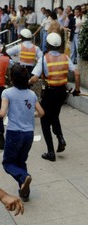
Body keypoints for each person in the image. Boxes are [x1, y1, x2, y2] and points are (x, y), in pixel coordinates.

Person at [0, 65, 44, 202]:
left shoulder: (7, 93)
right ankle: (24, 192)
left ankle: (23, 178)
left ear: (12, 79)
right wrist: (31, 114)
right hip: (29, 134)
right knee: (21, 161)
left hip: (14, 133)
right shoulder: (31, 95)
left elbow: (2, 113)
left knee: (8, 163)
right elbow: (42, 113)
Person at [29, 33, 81, 162]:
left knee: (45, 120)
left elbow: (35, 77)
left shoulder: (44, 59)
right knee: (54, 115)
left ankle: (51, 152)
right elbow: (77, 73)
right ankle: (60, 137)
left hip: (50, 93)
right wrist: (77, 89)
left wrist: (26, 83)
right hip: (61, 93)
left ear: (47, 45)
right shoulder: (65, 57)